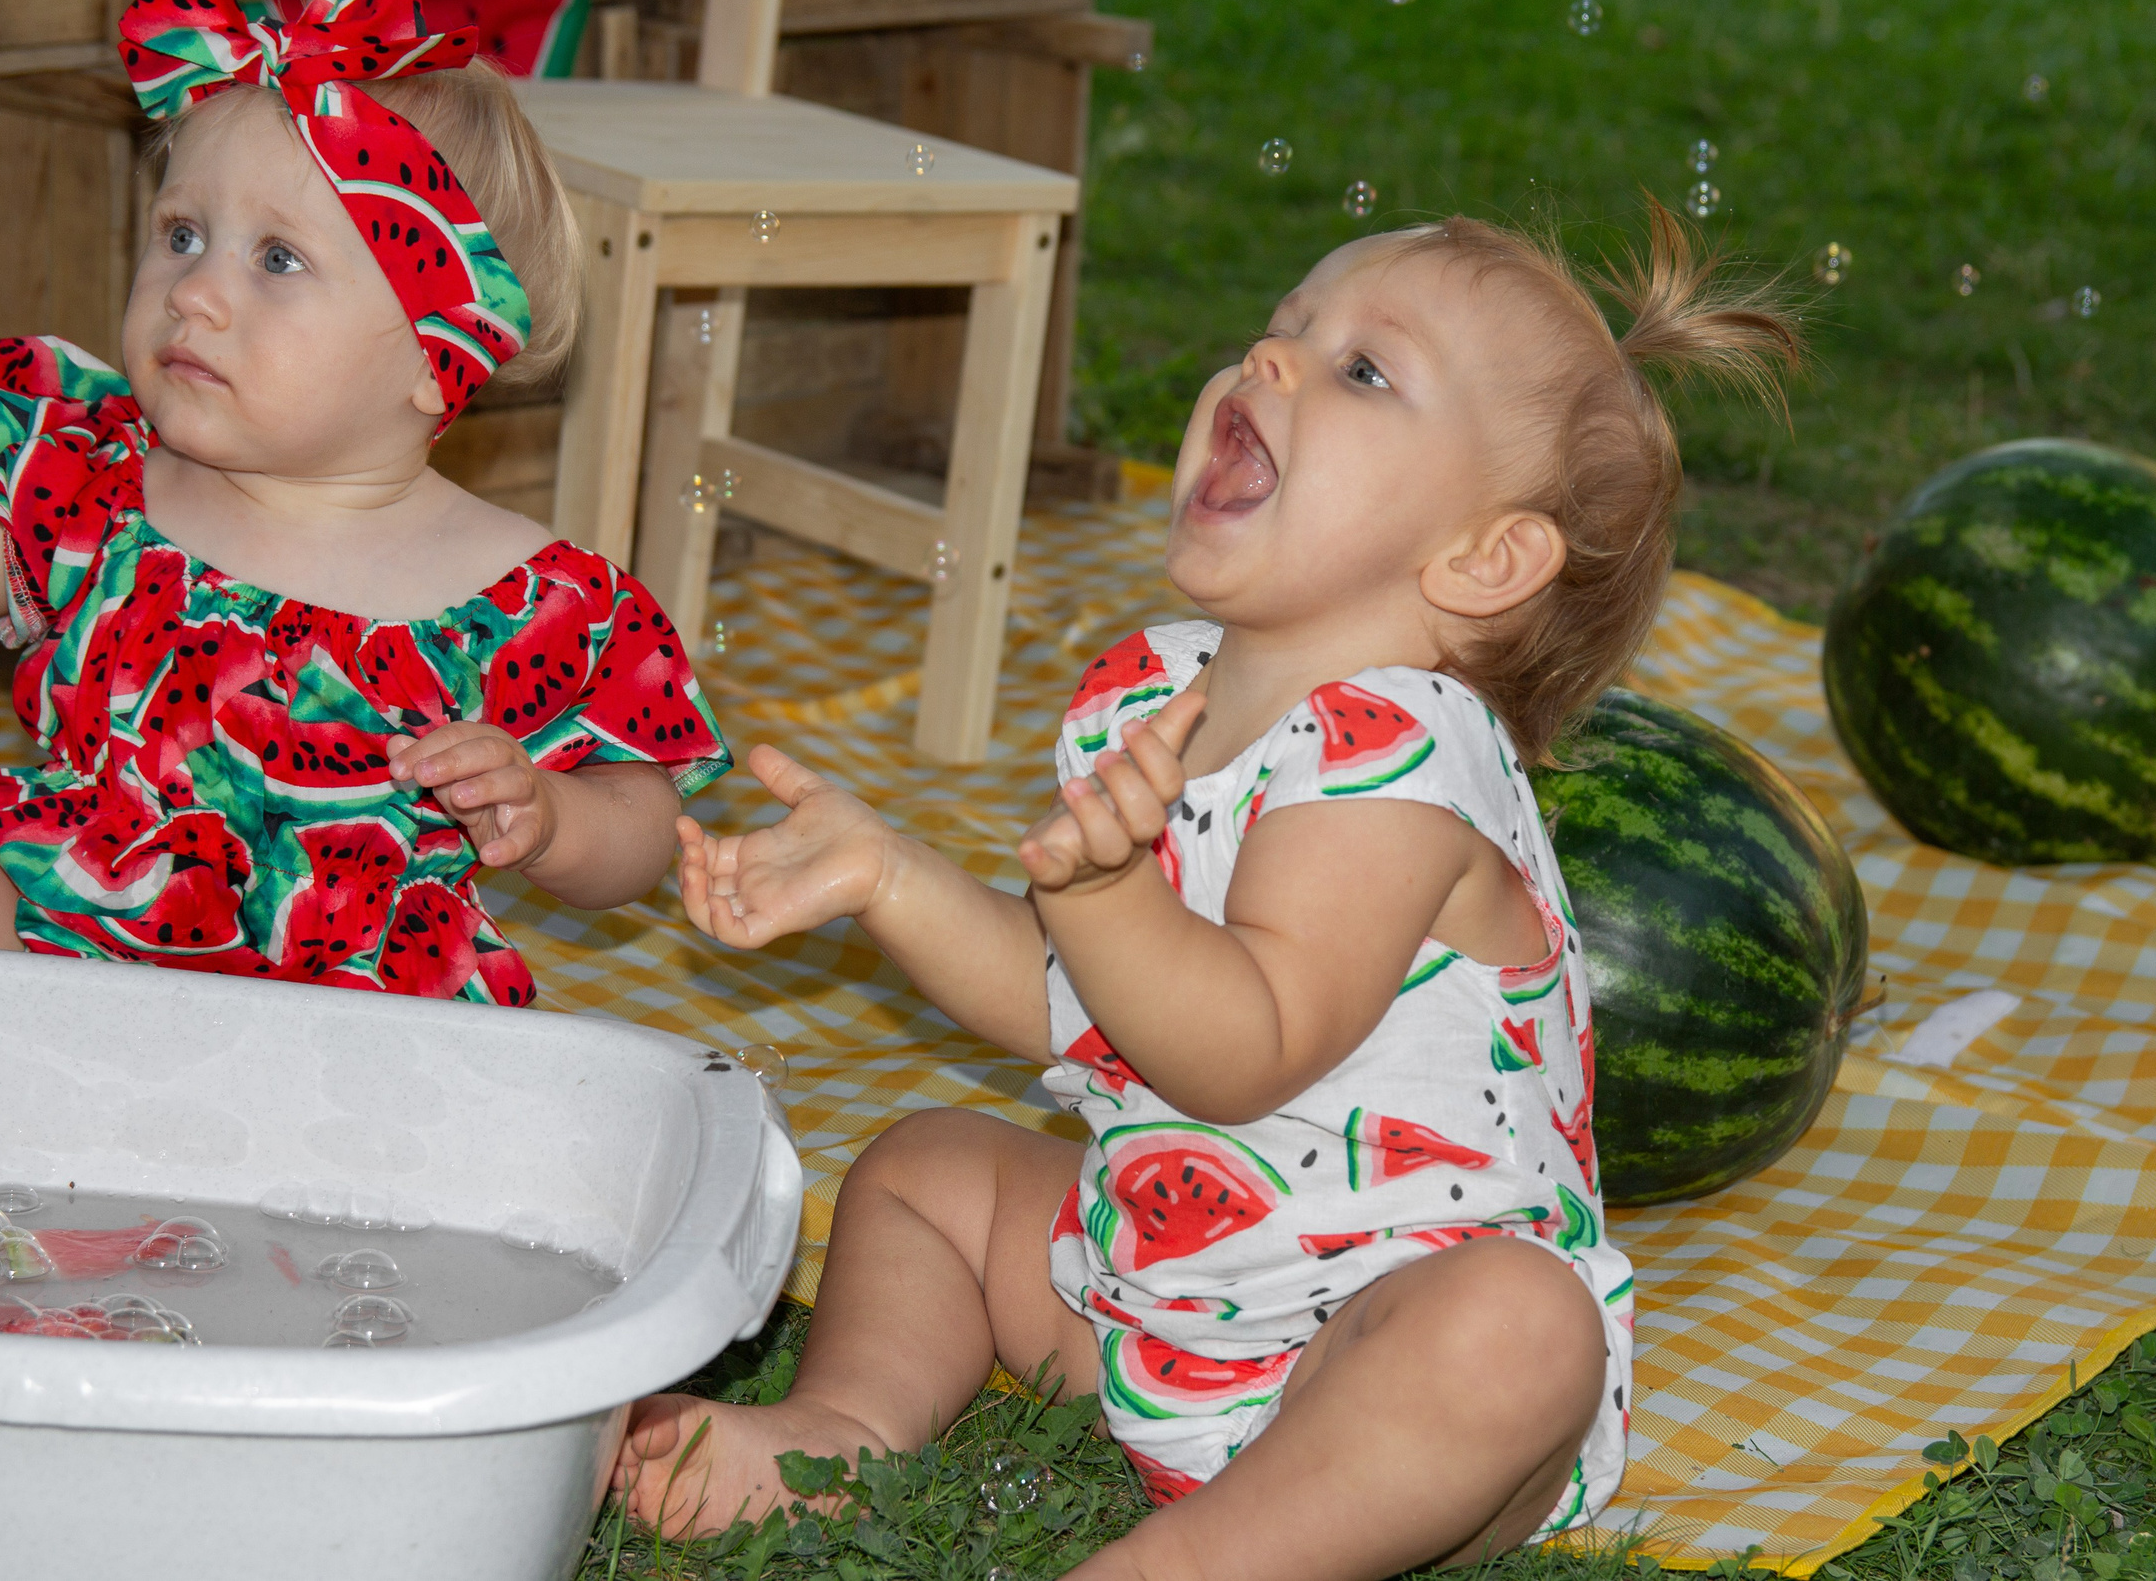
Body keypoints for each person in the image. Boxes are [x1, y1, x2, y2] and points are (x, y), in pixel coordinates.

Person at [623, 206, 1801, 1576]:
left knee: (1520, 1325)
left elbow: (1244, 1044)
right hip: (1159, 1303)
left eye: (1365, 368)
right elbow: (1082, 1009)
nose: (1271, 356)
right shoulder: (1150, 689)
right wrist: (890, 873)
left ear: (1485, 559)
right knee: (925, 1170)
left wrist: (1111, 892)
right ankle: (839, 1431)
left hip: (1379, 1361)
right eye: (1287, 322)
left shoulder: (1408, 751)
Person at [0, 0, 728, 1001]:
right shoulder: (101, 492)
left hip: (343, 1035)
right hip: (56, 966)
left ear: (437, 360)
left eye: (277, 260)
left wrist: (554, 817)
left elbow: (643, 821)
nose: (193, 292)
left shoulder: (528, 599)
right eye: (183, 235)